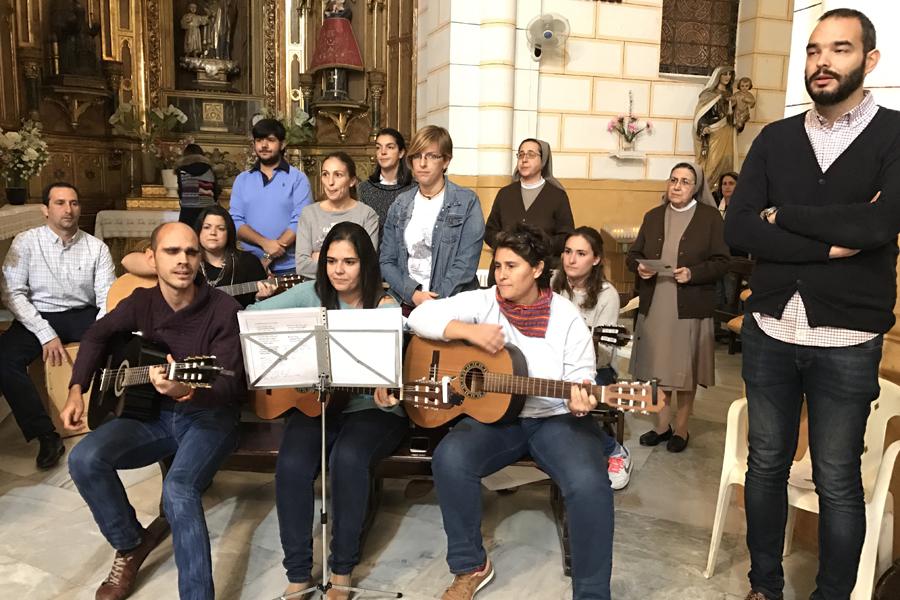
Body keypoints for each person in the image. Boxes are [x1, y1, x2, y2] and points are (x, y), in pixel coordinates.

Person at [724, 9, 900, 600]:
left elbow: (881, 224)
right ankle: (764, 587)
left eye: (840, 49)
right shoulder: (775, 139)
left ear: (869, 60)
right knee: (766, 465)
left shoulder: (895, 135)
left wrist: (788, 217)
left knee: (837, 481)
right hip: (771, 329)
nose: (822, 62)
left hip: (847, 341)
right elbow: (740, 228)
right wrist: (830, 244)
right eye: (814, 50)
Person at [395, 222, 612, 600]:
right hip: (497, 421)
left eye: (512, 266)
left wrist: (581, 402)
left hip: (553, 420)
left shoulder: (566, 318)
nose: (502, 275)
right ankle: (471, 566)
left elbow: (581, 379)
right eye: (497, 266)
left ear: (538, 269)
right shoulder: (483, 302)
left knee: (590, 484)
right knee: (450, 458)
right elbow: (417, 318)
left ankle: (592, 593)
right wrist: (466, 332)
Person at [61, 222, 244, 600]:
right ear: (152, 258)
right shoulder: (141, 303)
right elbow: (97, 335)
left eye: (191, 253)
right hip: (150, 415)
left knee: (179, 489)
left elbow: (229, 383)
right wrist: (77, 388)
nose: (184, 261)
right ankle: (130, 543)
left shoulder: (224, 309)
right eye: (172, 252)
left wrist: (187, 389)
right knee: (84, 459)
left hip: (209, 416)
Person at [252, 222, 406, 600]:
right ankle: (299, 572)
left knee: (348, 460)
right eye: (332, 261)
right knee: (290, 465)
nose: (339, 270)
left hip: (370, 409)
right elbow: (255, 319)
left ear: (365, 264)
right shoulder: (309, 294)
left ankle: (341, 571)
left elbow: (394, 378)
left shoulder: (384, 307)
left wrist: (388, 387)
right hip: (316, 404)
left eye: (349, 262)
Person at [0, 182, 114, 469]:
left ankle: (111, 416)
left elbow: (107, 299)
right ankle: (45, 434)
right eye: (60, 203)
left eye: (74, 203)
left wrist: (97, 337)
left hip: (82, 314)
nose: (68, 209)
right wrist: (44, 333)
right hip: (37, 314)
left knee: (123, 343)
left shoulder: (96, 247)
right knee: (4, 359)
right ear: (45, 209)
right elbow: (12, 292)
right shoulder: (26, 242)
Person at [628, 162, 729, 453]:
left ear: (695, 187)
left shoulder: (710, 218)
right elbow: (634, 255)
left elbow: (723, 262)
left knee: (685, 372)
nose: (677, 186)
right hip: (656, 302)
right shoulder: (653, 216)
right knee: (655, 368)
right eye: (673, 180)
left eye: (685, 181)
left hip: (690, 306)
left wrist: (693, 274)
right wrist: (640, 267)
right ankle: (661, 426)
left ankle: (681, 430)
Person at [551, 227, 631, 490]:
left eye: (581, 253)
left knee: (569, 400)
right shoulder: (552, 284)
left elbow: (606, 351)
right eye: (567, 251)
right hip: (552, 364)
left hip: (598, 368)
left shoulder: (607, 294)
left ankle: (614, 451)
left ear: (596, 259)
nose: (571, 260)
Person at [380, 125, 485, 313]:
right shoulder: (400, 204)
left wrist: (435, 301)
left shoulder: (466, 202)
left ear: (446, 161)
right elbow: (387, 261)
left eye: (431, 156)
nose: (422, 163)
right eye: (417, 156)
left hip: (453, 303)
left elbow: (466, 263)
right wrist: (414, 294)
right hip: (408, 302)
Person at [122, 206, 266, 308]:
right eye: (207, 227)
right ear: (198, 231)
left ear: (229, 233)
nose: (213, 233)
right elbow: (127, 261)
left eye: (221, 228)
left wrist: (261, 297)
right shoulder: (186, 258)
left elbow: (256, 306)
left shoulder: (248, 263)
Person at [230, 117, 312, 275]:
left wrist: (268, 257)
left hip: (290, 267)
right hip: (249, 265)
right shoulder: (242, 179)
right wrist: (265, 243)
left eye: (271, 140)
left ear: (282, 144)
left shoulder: (298, 179)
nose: (264, 145)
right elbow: (235, 221)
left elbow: (301, 220)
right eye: (259, 140)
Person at [485, 138, 574, 267]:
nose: (524, 159)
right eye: (521, 154)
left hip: (541, 272)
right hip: (505, 270)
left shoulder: (557, 196)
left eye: (531, 155)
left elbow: (567, 237)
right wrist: (507, 243)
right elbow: (489, 231)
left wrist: (538, 245)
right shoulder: (505, 194)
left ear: (542, 161)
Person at [294, 152, 379, 279]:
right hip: (314, 290)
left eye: (338, 175)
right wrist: (348, 261)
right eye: (325, 174)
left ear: (352, 181)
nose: (330, 182)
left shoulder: (366, 215)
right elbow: (302, 266)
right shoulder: (309, 214)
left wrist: (321, 258)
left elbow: (367, 265)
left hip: (354, 292)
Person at [357, 127, 415, 242]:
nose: (383, 152)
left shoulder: (414, 189)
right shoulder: (364, 188)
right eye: (378, 147)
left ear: (401, 153)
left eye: (390, 147)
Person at [694, 66, 738, 194]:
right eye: (725, 74)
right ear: (718, 76)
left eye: (730, 75)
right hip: (714, 133)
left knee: (727, 162)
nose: (727, 77)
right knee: (711, 164)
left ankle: (722, 194)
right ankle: (704, 193)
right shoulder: (708, 95)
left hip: (728, 131)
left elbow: (734, 116)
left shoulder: (731, 96)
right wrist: (703, 126)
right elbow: (700, 115)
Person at [174, 143, 220, 227]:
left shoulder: (181, 170)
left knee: (187, 235)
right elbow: (216, 190)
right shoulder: (209, 169)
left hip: (188, 210)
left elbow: (181, 191)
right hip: (208, 209)